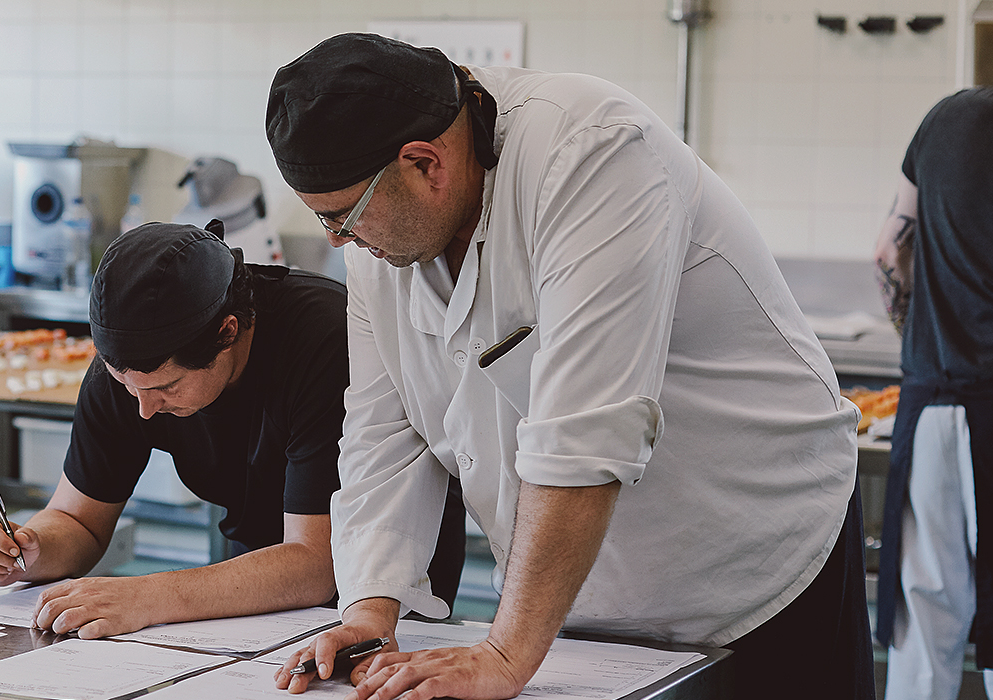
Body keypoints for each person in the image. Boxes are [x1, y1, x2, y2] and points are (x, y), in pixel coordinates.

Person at [264, 33, 871, 699]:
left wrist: (505, 653)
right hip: (571, 606)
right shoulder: (381, 240)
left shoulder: (592, 152)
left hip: (752, 572)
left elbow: (585, 430)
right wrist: (369, 610)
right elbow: (385, 432)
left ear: (424, 164)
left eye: (343, 218)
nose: (337, 241)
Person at [0, 220, 467, 639]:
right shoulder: (130, 370)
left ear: (228, 332)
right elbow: (77, 520)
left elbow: (317, 563)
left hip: (378, 584)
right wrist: (31, 547)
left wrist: (146, 595)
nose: (144, 409)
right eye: (125, 386)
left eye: (166, 387)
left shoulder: (322, 339)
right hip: (253, 580)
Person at [873, 87, 993, 699]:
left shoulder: (946, 117)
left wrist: (923, 340)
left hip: (929, 401)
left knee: (924, 625)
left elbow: (887, 252)